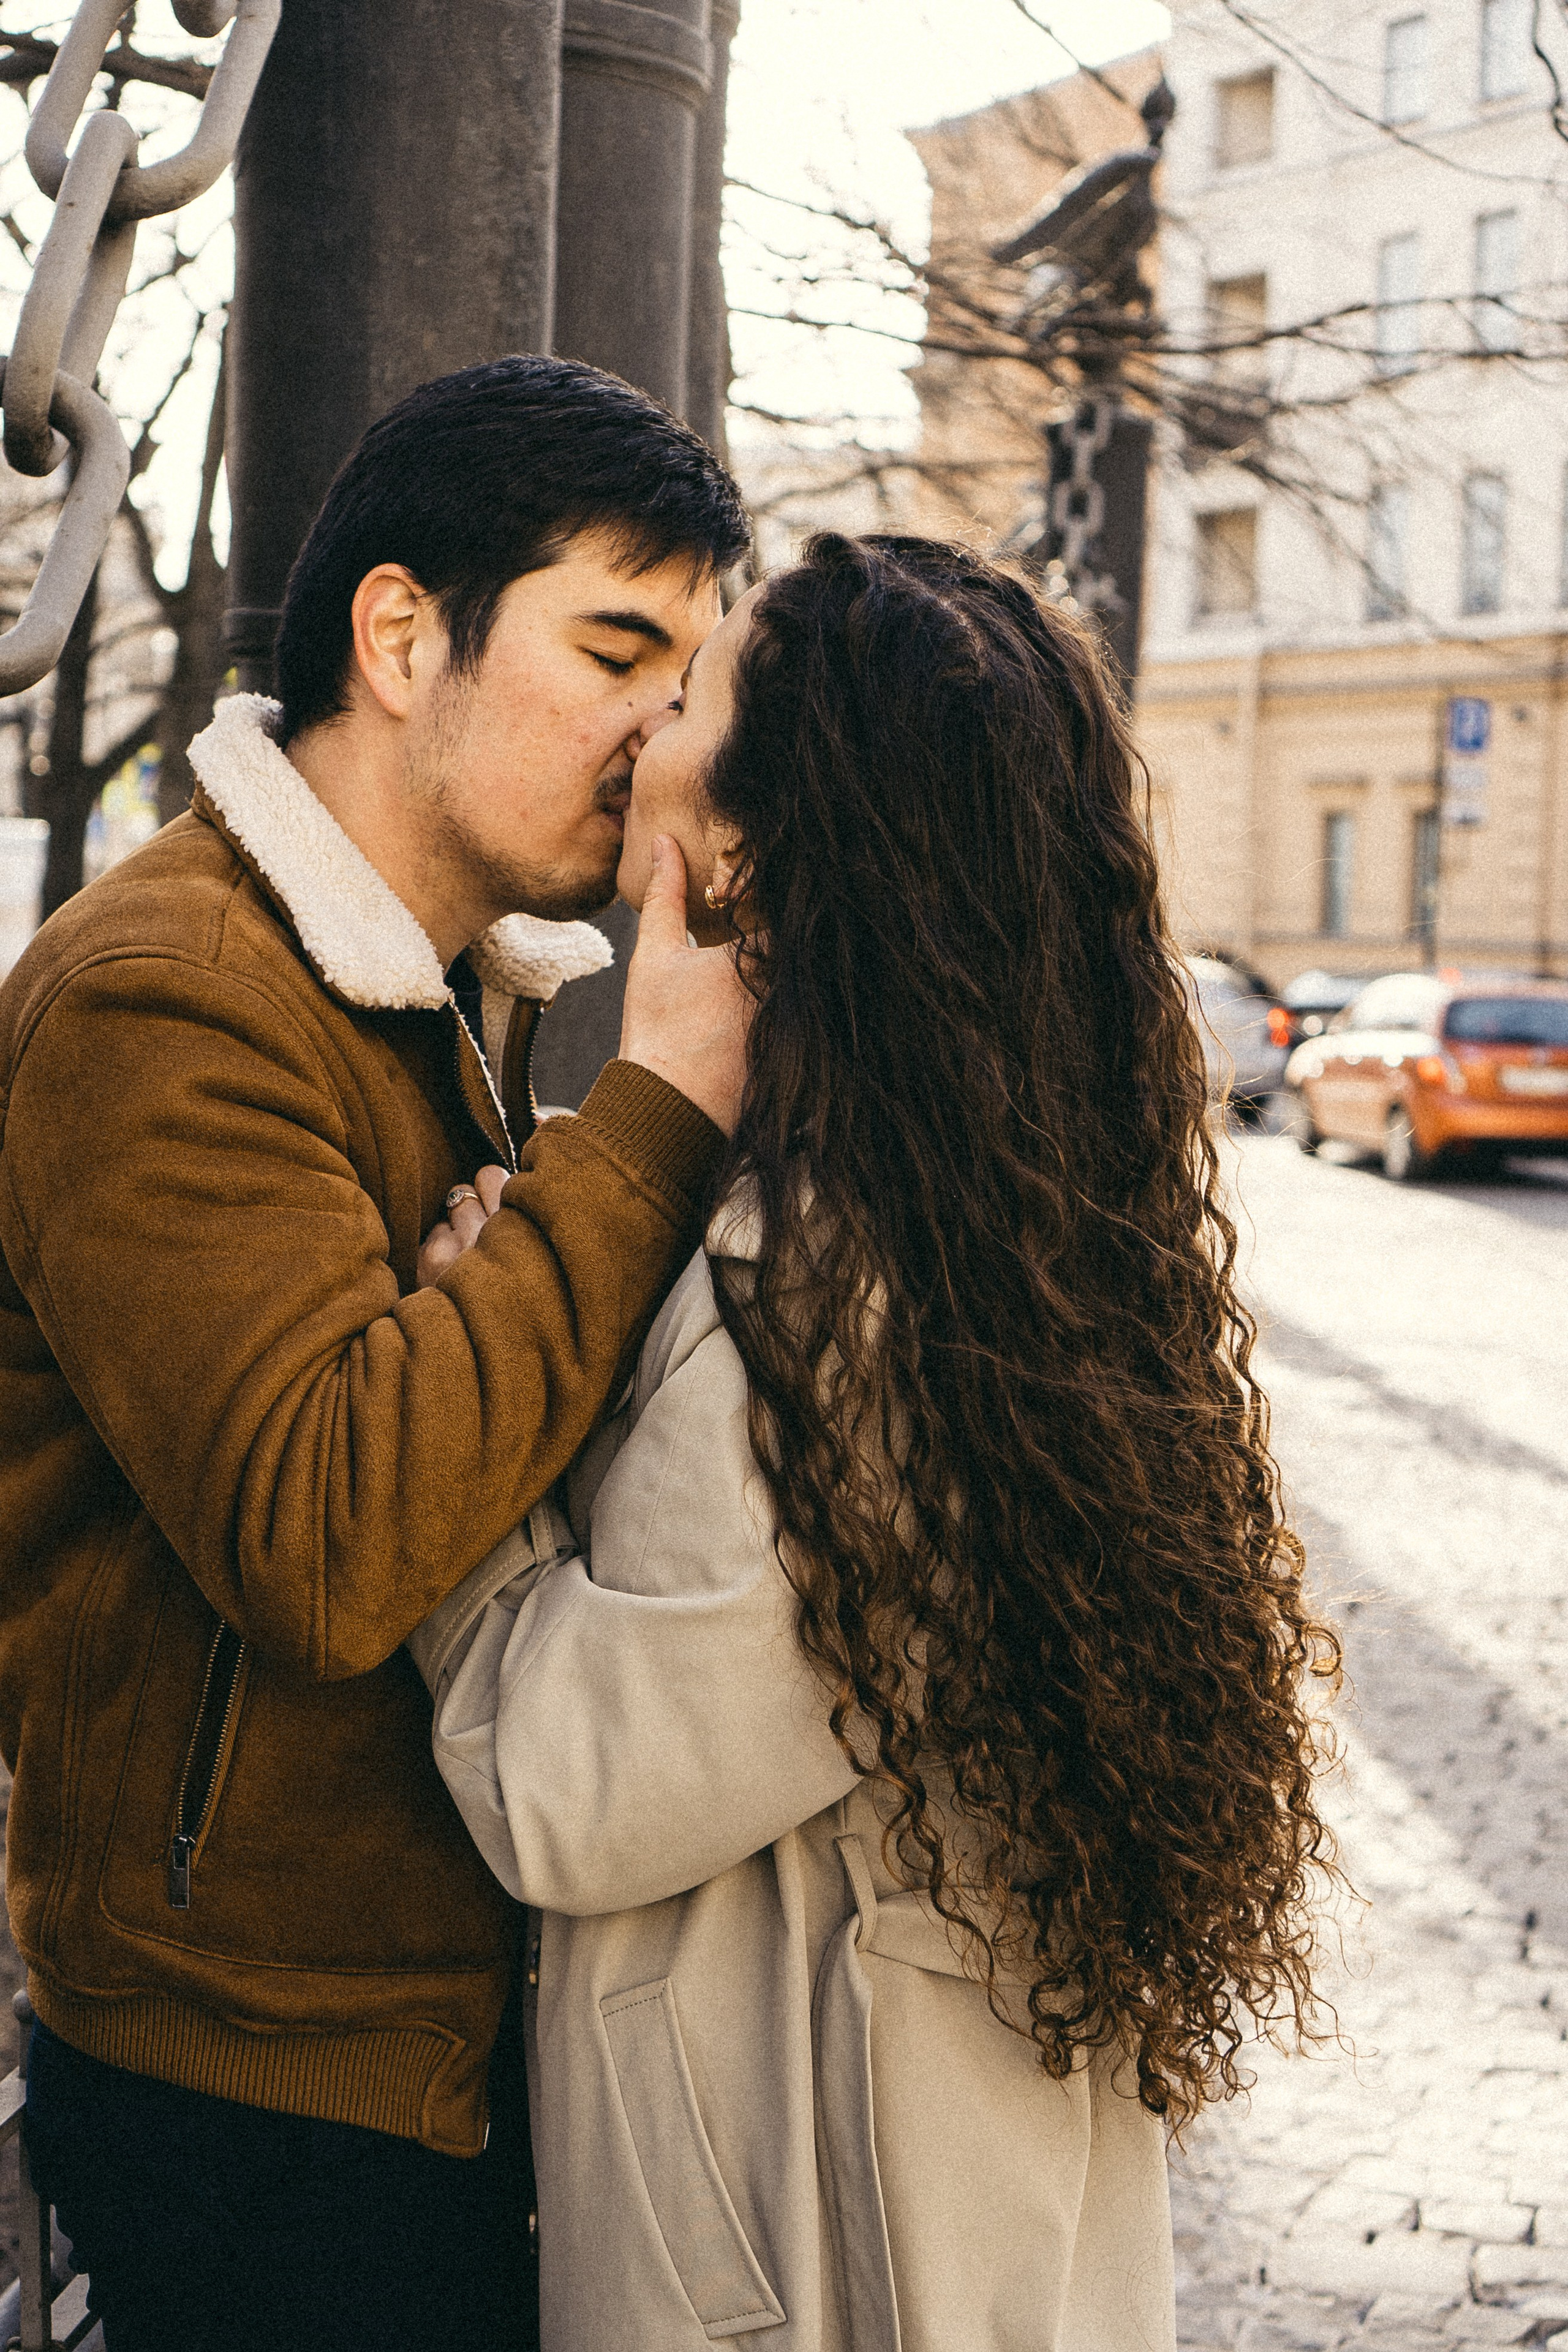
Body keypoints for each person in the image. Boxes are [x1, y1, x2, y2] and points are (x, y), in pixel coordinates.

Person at [413, 533, 1343, 2352]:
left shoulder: (825, 1295)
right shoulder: (988, 1218)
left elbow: (570, 1787)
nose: (640, 723)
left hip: (818, 2246)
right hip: (929, 2205)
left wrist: (481, 1397)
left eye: (688, 695)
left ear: (760, 847)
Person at [0, 354, 752, 2352]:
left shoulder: (430, 1001)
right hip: (252, 2086)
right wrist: (666, 1095)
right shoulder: (171, 1000)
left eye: (687, 676)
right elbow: (326, 1542)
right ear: (405, 634)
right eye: (616, 650)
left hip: (393, 2037)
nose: (659, 733)